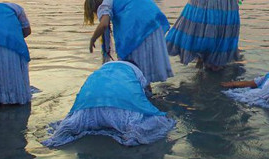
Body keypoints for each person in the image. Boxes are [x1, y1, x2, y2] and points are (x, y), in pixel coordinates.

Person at [42, 61, 176, 147]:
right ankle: (126, 133)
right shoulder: (136, 71)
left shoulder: (103, 69)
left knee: (73, 123)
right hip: (121, 108)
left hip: (89, 106)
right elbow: (145, 93)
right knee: (156, 121)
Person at [84, 0, 173, 88]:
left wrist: (93, 39)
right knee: (143, 68)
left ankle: (142, 94)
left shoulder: (104, 5)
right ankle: (147, 91)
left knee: (132, 65)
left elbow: (104, 24)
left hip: (139, 24)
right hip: (153, 19)